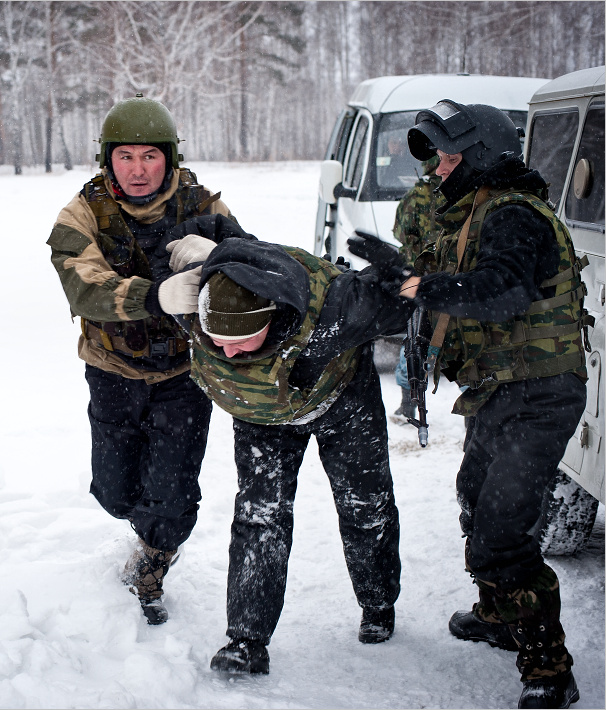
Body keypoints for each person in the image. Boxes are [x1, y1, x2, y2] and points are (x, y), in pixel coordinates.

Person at [349, 99, 591, 708]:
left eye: (450, 156)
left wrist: (415, 286)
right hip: (500, 388)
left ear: (482, 159)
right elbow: (459, 275)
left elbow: (500, 292)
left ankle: (548, 671)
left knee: (501, 535)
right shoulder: (476, 210)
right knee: (475, 500)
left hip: (539, 395)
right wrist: (404, 270)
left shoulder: (515, 216)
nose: (437, 169)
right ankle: (500, 615)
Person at [153, 216, 409, 673]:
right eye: (219, 341)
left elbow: (402, 304)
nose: (229, 353)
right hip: (263, 417)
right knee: (259, 515)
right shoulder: (188, 301)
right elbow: (195, 237)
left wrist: (400, 275)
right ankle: (246, 641)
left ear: (270, 318)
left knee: (364, 506)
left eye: (242, 341)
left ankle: (378, 602)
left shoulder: (335, 308)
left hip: (342, 399)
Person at [46, 94, 235, 625]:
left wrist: (219, 254)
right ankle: (144, 524)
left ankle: (154, 559)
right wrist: (153, 297)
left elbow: (253, 264)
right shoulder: (82, 212)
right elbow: (81, 287)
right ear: (107, 159)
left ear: (169, 158)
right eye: (124, 156)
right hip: (113, 370)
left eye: (149, 156)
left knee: (171, 494)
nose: (137, 169)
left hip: (185, 371)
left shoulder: (204, 206)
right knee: (114, 490)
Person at [389, 155, 469, 422]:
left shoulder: (415, 197)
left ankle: (407, 404)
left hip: (418, 281)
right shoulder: (465, 193)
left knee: (414, 340)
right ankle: (474, 408)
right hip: (457, 280)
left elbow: (400, 233)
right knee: (467, 343)